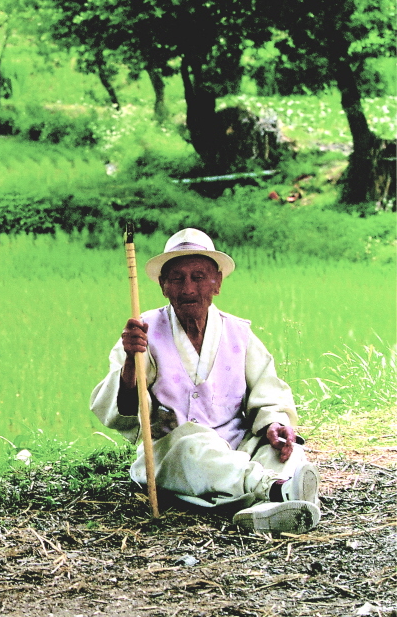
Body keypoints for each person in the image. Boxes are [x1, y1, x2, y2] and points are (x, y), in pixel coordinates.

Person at [90, 228, 321, 534]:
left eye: (198, 276)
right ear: (163, 286)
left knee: (283, 451)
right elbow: (127, 409)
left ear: (217, 283)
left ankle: (264, 506)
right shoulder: (143, 333)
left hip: (238, 448)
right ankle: (275, 490)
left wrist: (273, 424)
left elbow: (268, 392)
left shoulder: (239, 333)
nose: (188, 288)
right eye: (177, 278)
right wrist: (132, 362)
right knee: (196, 446)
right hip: (179, 453)